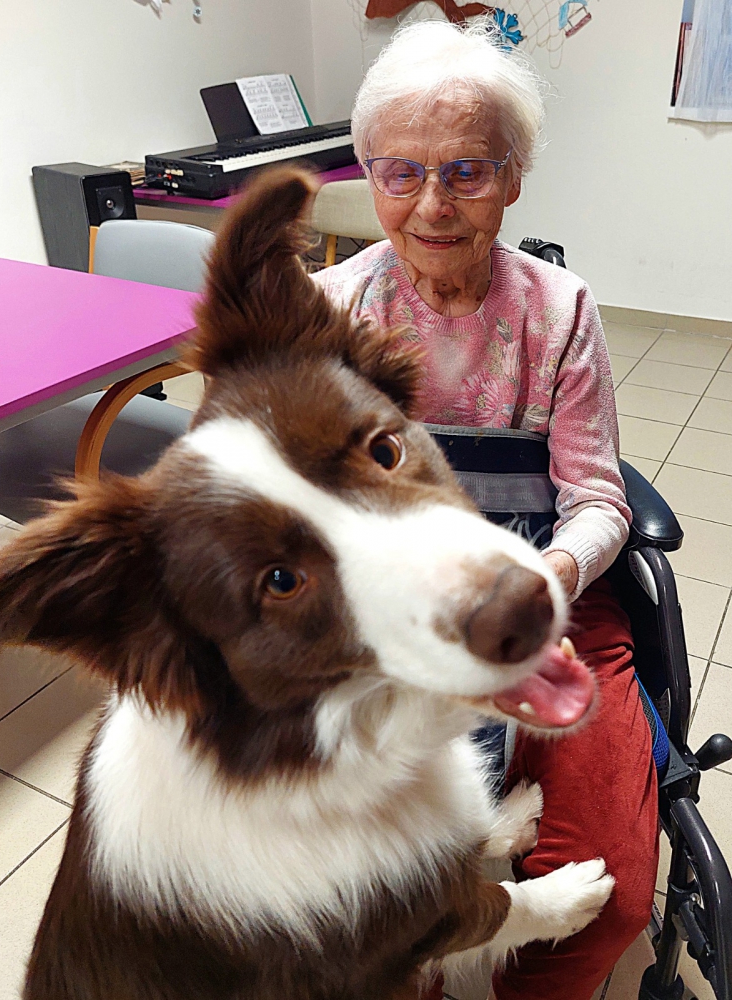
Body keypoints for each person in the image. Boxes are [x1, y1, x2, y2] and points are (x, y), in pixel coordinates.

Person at [313, 19, 658, 1000]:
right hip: (382, 616)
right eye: (400, 172)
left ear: (513, 178)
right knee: (375, 889)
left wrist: (549, 575)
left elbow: (595, 497)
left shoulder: (559, 310)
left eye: (466, 171)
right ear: (368, 175)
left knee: (611, 891)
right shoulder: (328, 310)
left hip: (547, 593)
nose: (431, 204)